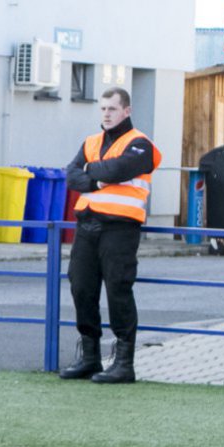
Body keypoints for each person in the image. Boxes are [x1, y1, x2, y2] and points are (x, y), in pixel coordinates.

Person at [60, 87, 162, 384]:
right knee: (81, 287)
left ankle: (124, 362)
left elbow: (121, 168)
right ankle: (90, 356)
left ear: (126, 111)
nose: (106, 113)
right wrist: (100, 178)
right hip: (87, 227)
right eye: (103, 108)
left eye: (112, 109)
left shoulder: (140, 144)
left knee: (118, 290)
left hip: (120, 228)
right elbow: (71, 176)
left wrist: (91, 171)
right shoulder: (91, 142)